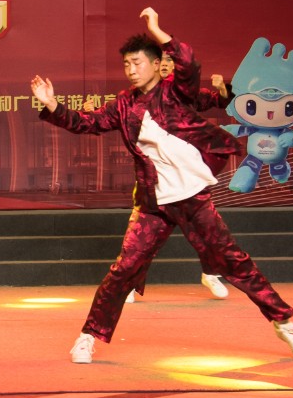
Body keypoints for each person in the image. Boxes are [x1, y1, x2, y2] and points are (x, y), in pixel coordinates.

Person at [31, 8, 293, 364]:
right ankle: (88, 336)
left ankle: (284, 323)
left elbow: (189, 63)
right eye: (126, 65)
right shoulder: (123, 104)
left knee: (234, 261)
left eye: (137, 63)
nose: (131, 70)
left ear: (155, 63)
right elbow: (87, 123)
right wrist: (52, 104)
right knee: (124, 269)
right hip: (153, 204)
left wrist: (157, 30)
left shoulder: (176, 92)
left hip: (193, 198)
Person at [86, 66, 234, 304]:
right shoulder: (135, 98)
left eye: (169, 60)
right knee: (140, 240)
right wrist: (91, 113)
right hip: (153, 183)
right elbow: (106, 117)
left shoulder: (183, 93)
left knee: (206, 232)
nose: (164, 65)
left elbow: (215, 100)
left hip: (186, 180)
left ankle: (211, 274)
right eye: (160, 61)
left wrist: (223, 91)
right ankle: (127, 283)